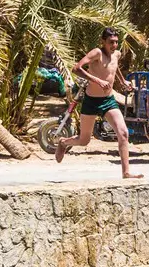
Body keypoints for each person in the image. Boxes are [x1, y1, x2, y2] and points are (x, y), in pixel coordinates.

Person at [54, 27, 142, 179]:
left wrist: (122, 81)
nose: (114, 45)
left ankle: (126, 172)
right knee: (84, 140)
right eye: (110, 42)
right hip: (91, 101)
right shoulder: (97, 53)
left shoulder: (117, 54)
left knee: (123, 133)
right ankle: (63, 143)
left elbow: (115, 68)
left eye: (116, 42)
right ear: (103, 41)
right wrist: (98, 80)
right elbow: (76, 68)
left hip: (108, 100)